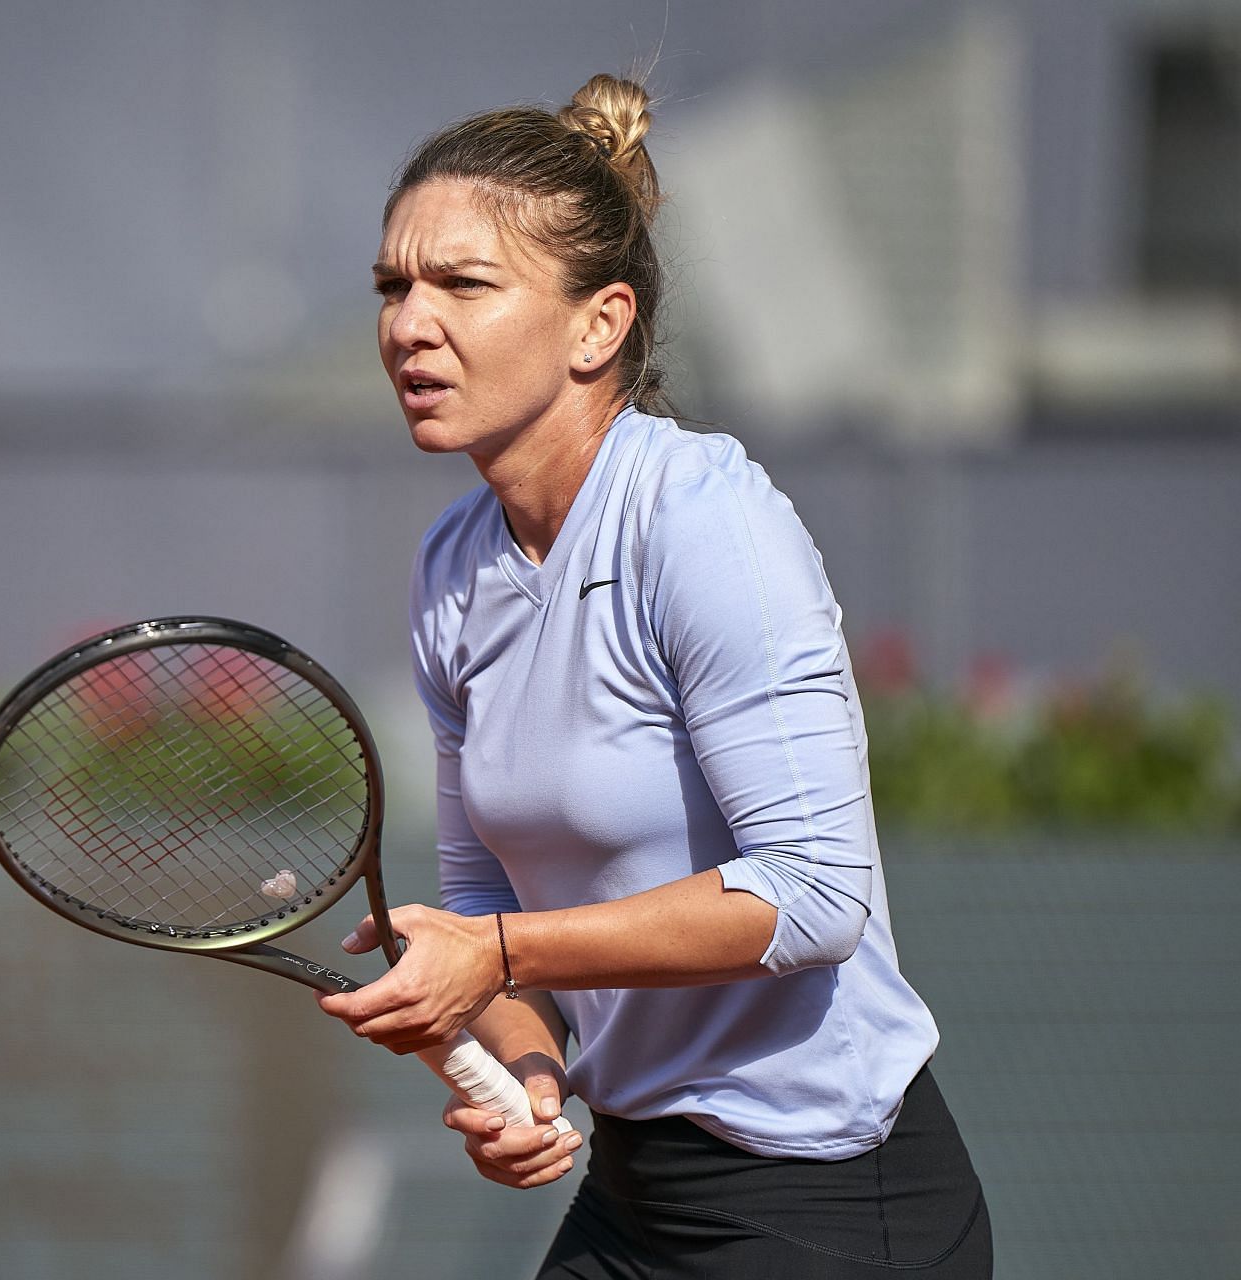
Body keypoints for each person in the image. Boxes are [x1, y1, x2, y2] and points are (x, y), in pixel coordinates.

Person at [317, 73, 992, 1278]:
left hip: (832, 1210)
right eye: (392, 286)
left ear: (599, 324)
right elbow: (482, 905)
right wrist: (527, 1072)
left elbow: (815, 894)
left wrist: (506, 956)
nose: (409, 323)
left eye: (462, 284)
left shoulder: (704, 520)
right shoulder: (452, 568)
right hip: (637, 1193)